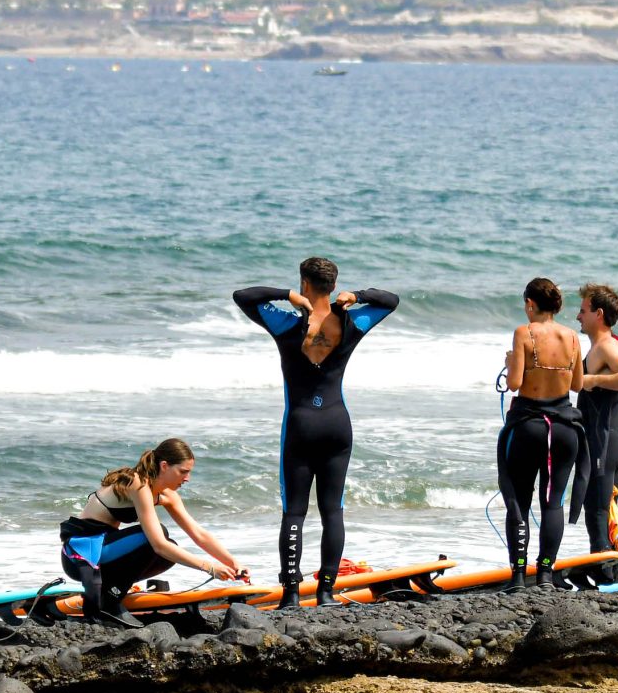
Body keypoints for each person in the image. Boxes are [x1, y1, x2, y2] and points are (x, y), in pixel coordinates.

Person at [233, 256, 399, 606]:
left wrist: (287, 295)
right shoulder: (354, 322)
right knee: (332, 511)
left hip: (301, 425)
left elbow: (243, 296)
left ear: (305, 284)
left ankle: (291, 595)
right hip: (337, 425)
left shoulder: (286, 325)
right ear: (334, 286)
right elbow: (390, 301)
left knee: (294, 512)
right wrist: (356, 295)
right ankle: (325, 593)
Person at [59, 438, 246, 627]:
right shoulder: (137, 483)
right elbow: (157, 544)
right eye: (183, 471)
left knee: (170, 550)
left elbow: (198, 534)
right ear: (164, 466)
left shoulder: (168, 495)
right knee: (159, 539)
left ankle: (112, 592)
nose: (187, 478)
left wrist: (232, 563)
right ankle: (109, 599)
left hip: (106, 552)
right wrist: (209, 568)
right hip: (82, 556)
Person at [496, 277, 588, 590]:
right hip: (563, 428)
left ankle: (518, 576)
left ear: (531, 304)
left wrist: (511, 363)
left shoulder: (524, 333)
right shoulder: (573, 337)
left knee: (520, 500)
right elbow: (576, 385)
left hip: (529, 425)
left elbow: (514, 383)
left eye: (526, 304)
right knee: (553, 502)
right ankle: (546, 574)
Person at [574, 283, 618, 585]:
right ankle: (611, 576)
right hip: (606, 440)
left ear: (598, 314)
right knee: (603, 508)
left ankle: (606, 579)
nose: (578, 316)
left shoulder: (606, 346)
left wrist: (590, 379)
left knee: (598, 511)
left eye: (583, 310)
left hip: (605, 441)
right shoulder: (601, 345)